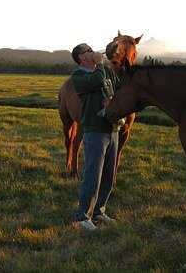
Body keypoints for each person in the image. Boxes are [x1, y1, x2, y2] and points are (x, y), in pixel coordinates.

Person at [70, 42, 122, 231]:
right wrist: (101, 64)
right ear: (81, 58)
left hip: (112, 129)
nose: (93, 52)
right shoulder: (79, 76)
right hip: (95, 130)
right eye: (88, 50)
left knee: (109, 175)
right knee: (93, 175)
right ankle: (82, 216)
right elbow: (98, 81)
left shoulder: (104, 70)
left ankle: (99, 211)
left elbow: (117, 84)